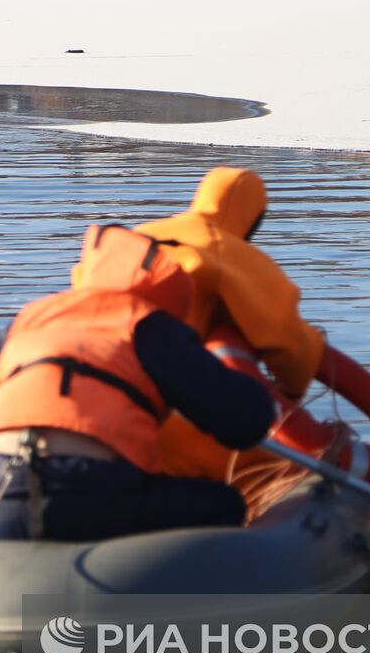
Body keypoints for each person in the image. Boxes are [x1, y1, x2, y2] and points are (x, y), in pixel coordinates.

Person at [0, 223, 277, 542]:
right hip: (83, 489)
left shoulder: (31, 316)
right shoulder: (147, 322)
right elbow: (246, 421)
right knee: (225, 503)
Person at [73, 167, 335, 518]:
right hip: (192, 421)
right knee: (284, 474)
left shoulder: (136, 240)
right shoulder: (233, 253)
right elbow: (289, 348)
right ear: (253, 221)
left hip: (98, 422)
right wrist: (290, 394)